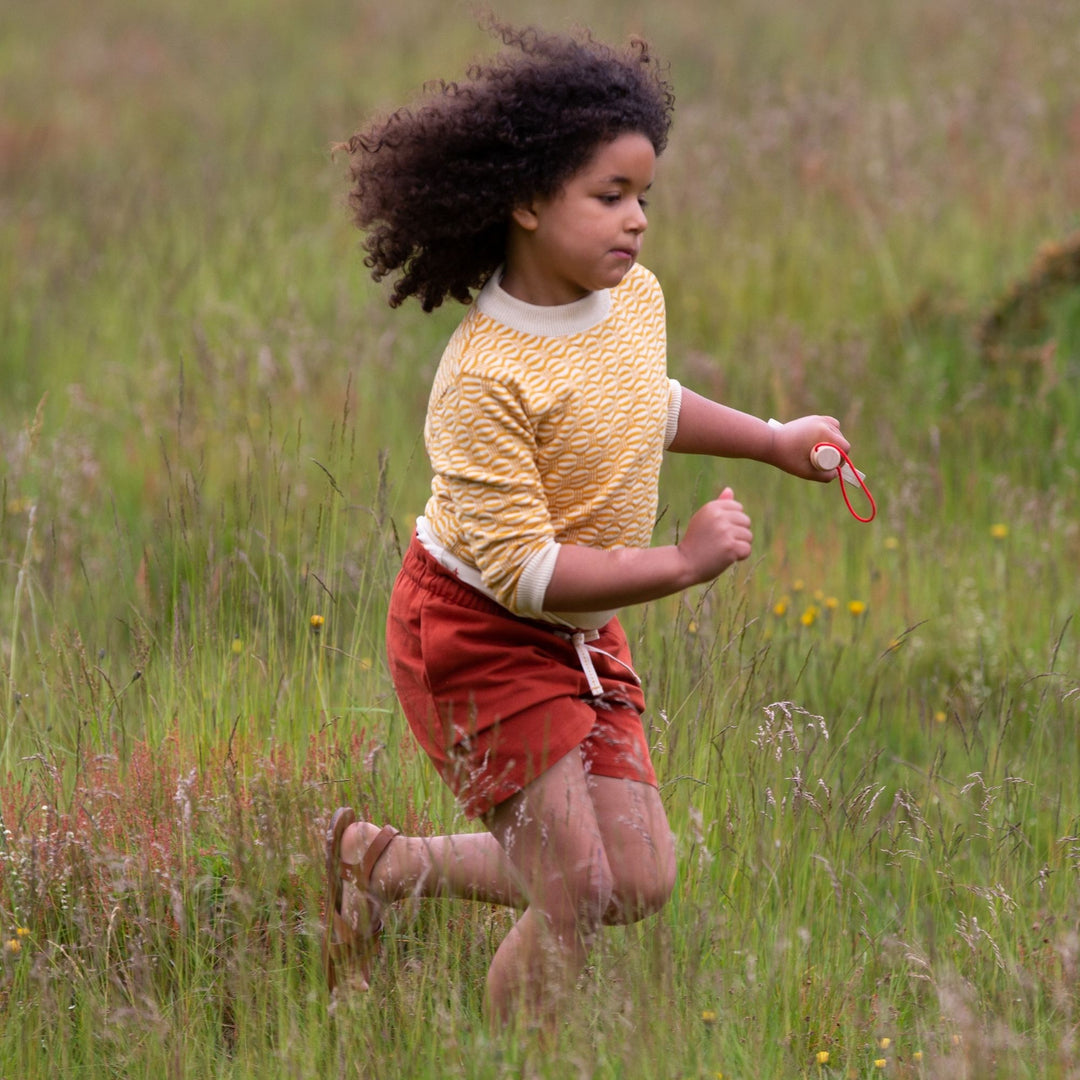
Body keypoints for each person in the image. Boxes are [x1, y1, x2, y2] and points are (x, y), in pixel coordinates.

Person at [323, 23, 850, 1027]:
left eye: (644, 196)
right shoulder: (485, 377)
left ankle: (380, 862)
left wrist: (774, 439)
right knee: (576, 890)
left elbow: (643, 403)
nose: (638, 221)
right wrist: (680, 565)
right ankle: (514, 1056)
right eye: (609, 196)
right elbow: (524, 575)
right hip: (478, 633)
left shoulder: (629, 300)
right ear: (527, 202)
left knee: (639, 880)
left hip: (577, 621)